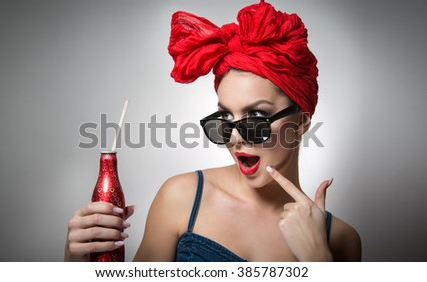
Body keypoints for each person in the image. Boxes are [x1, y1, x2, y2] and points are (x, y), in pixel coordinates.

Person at [64, 0, 361, 262]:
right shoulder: (181, 197)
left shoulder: (341, 241)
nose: (235, 136)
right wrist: (76, 262)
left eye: (256, 116)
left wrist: (318, 261)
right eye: (225, 117)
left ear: (301, 123)